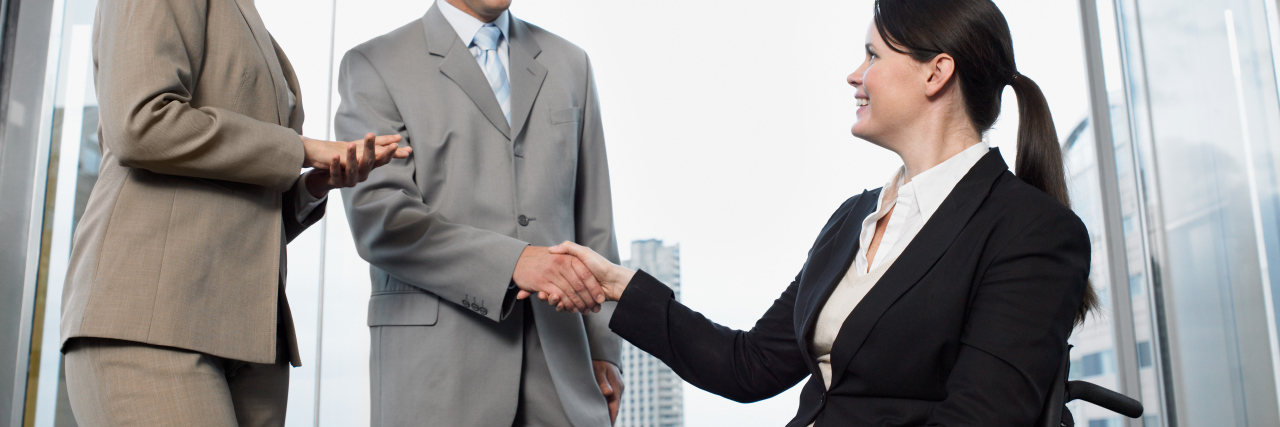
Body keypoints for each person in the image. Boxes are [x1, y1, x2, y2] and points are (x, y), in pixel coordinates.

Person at [549, 0, 1099, 425]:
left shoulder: (1032, 232)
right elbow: (750, 364)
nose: (854, 75)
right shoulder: (853, 218)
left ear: (936, 73)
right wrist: (619, 286)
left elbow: (981, 418)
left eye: (874, 55)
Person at [60, 0, 409, 425]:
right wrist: (301, 149)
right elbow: (140, 123)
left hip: (251, 337)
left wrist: (314, 185)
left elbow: (238, 201)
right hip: (154, 319)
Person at [334, 0, 623, 425]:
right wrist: (515, 262)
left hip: (564, 372)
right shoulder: (375, 64)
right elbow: (381, 219)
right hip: (437, 374)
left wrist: (603, 349)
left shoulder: (571, 63)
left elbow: (595, 219)